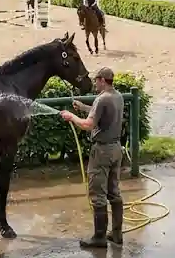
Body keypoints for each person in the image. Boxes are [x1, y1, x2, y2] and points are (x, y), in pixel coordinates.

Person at [60, 67, 124, 248]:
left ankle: (99, 237)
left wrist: (71, 116)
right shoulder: (117, 96)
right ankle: (117, 234)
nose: (95, 83)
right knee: (114, 192)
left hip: (102, 152)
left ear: (103, 80)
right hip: (116, 149)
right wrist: (83, 107)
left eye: (96, 80)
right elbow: (101, 114)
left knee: (98, 195)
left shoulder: (101, 99)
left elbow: (88, 124)